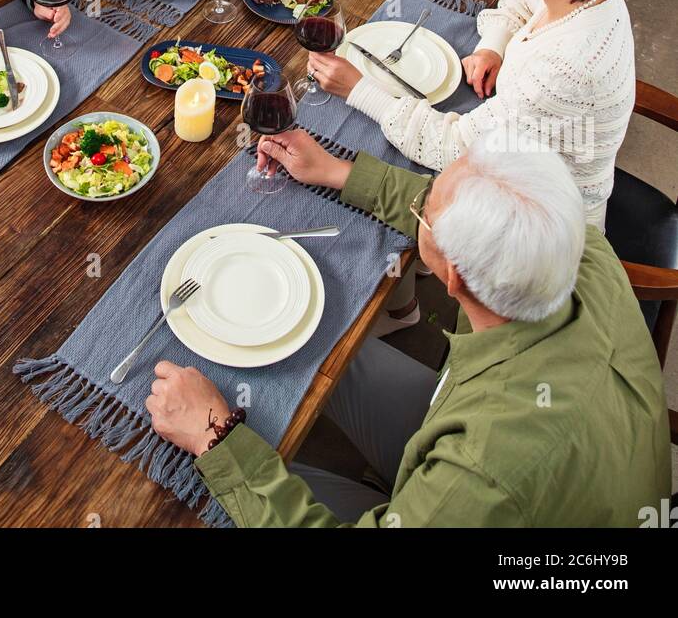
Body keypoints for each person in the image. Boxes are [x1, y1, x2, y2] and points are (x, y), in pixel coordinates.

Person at [146, 127, 671, 528]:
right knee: (320, 340)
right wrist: (338, 172)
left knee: (200, 483)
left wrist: (213, 438)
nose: (424, 203)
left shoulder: (481, 472)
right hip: (504, 437)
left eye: (428, 218)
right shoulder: (580, 244)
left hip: (471, 506)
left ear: (453, 278)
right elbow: (455, 208)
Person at [308, 0, 639, 233]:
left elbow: (453, 149)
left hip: (542, 225)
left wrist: (358, 89)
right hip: (525, 155)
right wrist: (492, 46)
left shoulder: (564, 71)